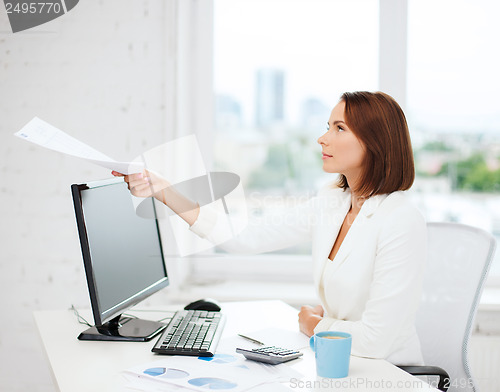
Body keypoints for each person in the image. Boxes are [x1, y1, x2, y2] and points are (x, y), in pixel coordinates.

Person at [112, 91, 427, 366]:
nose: (323, 138)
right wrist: (163, 190)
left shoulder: (400, 220)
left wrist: (316, 324)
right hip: (340, 366)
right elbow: (245, 237)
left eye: (339, 128)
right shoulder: (332, 202)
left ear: (374, 143)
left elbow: (375, 341)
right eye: (327, 126)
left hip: (390, 375)